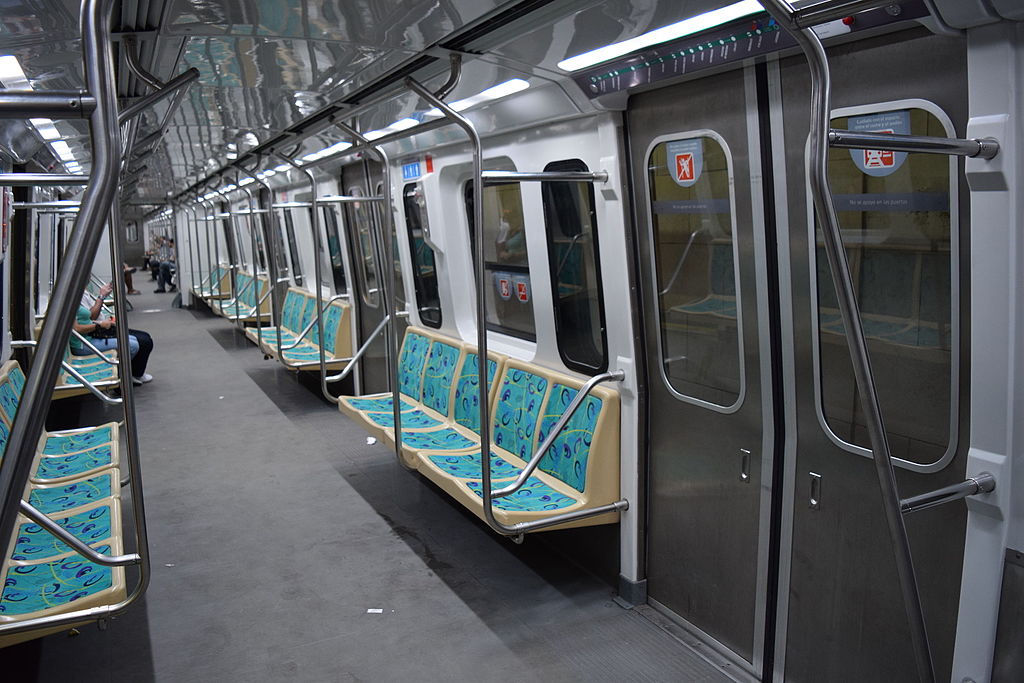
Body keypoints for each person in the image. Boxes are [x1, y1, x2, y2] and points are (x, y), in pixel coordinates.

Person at [71, 282, 154, 385]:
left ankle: (127, 374)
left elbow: (89, 317)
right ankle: (124, 377)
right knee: (133, 345)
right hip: (83, 344)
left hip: (91, 335)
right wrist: (99, 325)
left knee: (134, 340)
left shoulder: (78, 294)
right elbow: (77, 328)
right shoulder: (70, 300)